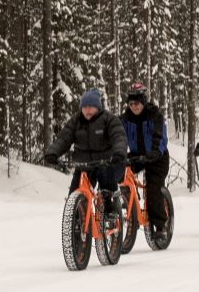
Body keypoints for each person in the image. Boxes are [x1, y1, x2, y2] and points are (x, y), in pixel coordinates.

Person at [42, 88, 128, 217]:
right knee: (74, 194)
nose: (87, 110)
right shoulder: (76, 121)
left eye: (91, 107)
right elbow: (63, 138)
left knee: (106, 183)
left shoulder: (109, 119)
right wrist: (52, 153)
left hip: (104, 162)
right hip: (83, 165)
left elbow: (119, 137)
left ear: (98, 107)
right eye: (84, 107)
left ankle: (111, 209)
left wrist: (119, 153)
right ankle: (76, 225)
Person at [121, 83, 171, 233]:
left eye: (137, 103)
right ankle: (127, 205)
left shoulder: (154, 115)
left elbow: (160, 136)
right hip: (137, 156)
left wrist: (155, 151)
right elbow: (117, 137)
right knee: (120, 173)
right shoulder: (125, 119)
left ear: (143, 101)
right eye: (131, 104)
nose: (134, 107)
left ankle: (161, 226)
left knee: (153, 190)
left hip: (157, 157)